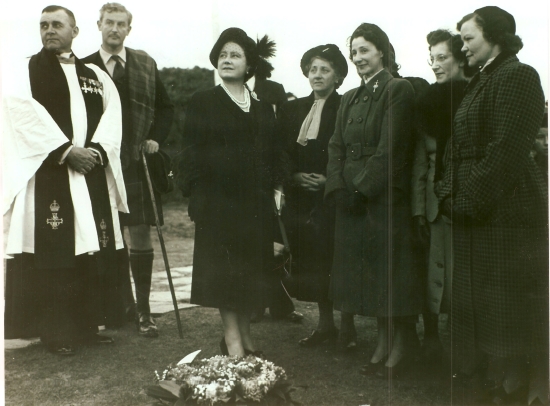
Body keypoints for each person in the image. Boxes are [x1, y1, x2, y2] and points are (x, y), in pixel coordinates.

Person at [437, 7, 548, 404]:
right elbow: (456, 149)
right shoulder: (484, 79)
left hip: (506, 214)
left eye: (468, 38)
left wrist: (464, 201)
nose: (461, 47)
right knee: (484, 306)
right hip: (478, 212)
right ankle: (500, 383)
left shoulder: (518, 75)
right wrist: (448, 194)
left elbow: (507, 151)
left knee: (507, 307)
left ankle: (514, 386)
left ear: (496, 36)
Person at [3, 5, 127, 355]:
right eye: (43, 25)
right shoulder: (28, 69)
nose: (49, 30)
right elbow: (20, 114)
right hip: (49, 174)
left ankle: (87, 326)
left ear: (75, 30)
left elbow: (112, 115)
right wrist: (65, 150)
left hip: (89, 173)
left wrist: (97, 152)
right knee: (55, 251)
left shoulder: (95, 74)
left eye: (57, 24)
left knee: (88, 247)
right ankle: (55, 332)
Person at [325, 23, 422, 379]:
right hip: (350, 198)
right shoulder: (349, 97)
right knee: (368, 277)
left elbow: (390, 151)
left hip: (383, 198)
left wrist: (359, 190)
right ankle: (382, 343)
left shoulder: (398, 89)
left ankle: (399, 347)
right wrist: (337, 189)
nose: (358, 58)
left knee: (390, 274)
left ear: (382, 50)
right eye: (354, 52)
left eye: (364, 50)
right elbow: (335, 147)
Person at [177, 27, 281, 357]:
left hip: (254, 205)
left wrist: (273, 191)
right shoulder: (203, 101)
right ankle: (232, 339)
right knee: (224, 275)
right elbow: (190, 151)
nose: (227, 59)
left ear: (250, 64)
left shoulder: (263, 108)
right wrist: (195, 193)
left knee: (248, 273)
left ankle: (246, 336)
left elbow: (272, 155)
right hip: (217, 202)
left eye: (235, 54)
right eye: (222, 54)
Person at [82, 2, 174, 337]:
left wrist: (155, 138)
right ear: (99, 25)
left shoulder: (145, 64)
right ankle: (119, 306)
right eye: (109, 23)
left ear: (128, 29)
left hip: (137, 162)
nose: (115, 29)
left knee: (139, 233)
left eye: (121, 24)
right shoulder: (84, 67)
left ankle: (145, 311)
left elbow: (166, 108)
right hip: (100, 163)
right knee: (106, 235)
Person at [277, 44, 357, 349]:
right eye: (313, 69)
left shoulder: (348, 105)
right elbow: (282, 152)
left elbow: (350, 152)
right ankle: (325, 325)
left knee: (339, 261)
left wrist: (329, 182)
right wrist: (294, 177)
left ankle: (347, 328)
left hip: (335, 197)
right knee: (312, 263)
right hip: (301, 198)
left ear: (338, 75)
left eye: (324, 69)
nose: (317, 75)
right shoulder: (292, 109)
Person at [411, 29, 470, 364]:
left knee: (463, 279)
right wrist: (419, 209)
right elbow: (421, 161)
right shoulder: (429, 102)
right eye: (432, 58)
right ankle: (431, 340)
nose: (435, 65)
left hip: (468, 204)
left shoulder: (477, 95)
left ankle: (465, 351)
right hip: (434, 206)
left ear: (462, 58)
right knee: (431, 274)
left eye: (443, 57)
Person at [247, 36, 303, 325]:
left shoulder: (273, 91)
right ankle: (255, 304)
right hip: (244, 177)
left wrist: (280, 178)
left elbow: (285, 134)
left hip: (271, 173)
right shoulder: (229, 90)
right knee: (252, 239)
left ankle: (281, 305)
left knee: (276, 240)